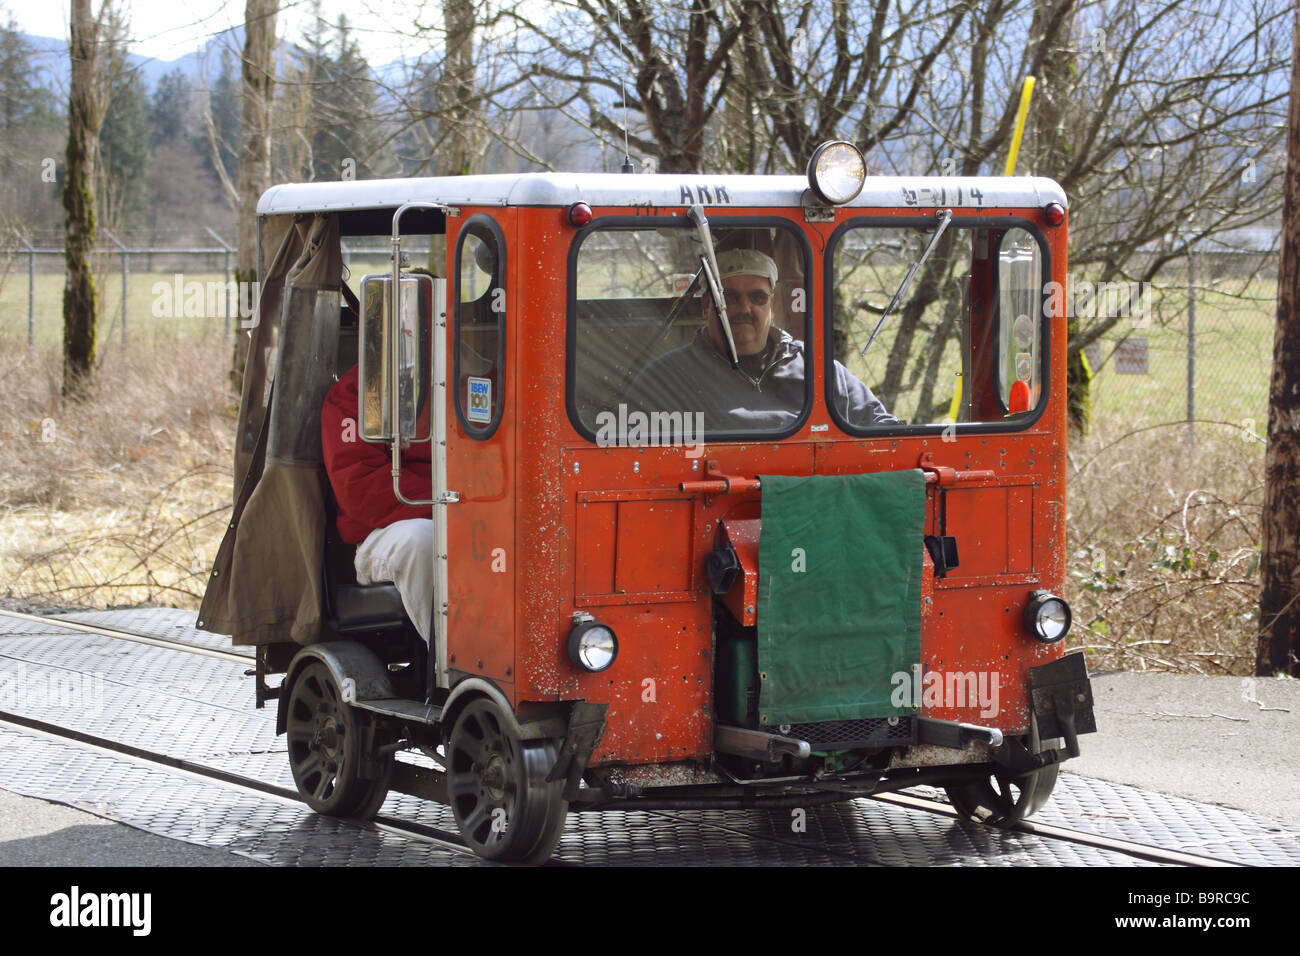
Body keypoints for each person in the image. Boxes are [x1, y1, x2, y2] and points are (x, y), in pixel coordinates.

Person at [624, 248, 897, 431]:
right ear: (707, 304)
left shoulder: (819, 370)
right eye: (728, 298)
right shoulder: (665, 378)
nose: (744, 309)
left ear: (771, 304)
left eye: (757, 298)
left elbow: (881, 429)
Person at [320, 318, 434, 645]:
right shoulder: (358, 392)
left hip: (483, 517)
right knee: (420, 541)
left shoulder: (485, 381)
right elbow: (363, 489)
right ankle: (455, 666)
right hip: (386, 532)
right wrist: (455, 504)